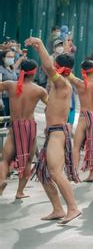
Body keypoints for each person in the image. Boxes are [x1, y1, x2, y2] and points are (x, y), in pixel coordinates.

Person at [25, 37, 81, 225]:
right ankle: (58, 209)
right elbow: (52, 66)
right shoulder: (61, 83)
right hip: (53, 133)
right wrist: (64, 50)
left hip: (57, 133)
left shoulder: (62, 83)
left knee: (56, 172)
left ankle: (72, 208)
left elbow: (48, 67)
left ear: (59, 68)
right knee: (43, 172)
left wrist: (40, 43)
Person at [0, 59, 48, 198]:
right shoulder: (39, 90)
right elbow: (51, 106)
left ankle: (1, 181)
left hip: (14, 126)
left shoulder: (10, 85)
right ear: (33, 73)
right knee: (27, 160)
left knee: (5, 159)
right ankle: (20, 192)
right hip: (28, 127)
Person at [68, 58, 93, 183]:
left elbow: (66, 72)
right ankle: (91, 173)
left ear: (82, 71)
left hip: (84, 117)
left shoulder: (79, 83)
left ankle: (74, 172)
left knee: (76, 146)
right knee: (91, 146)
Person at [0, 49, 22, 118]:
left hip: (13, 97)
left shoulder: (12, 69)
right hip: (4, 98)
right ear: (3, 58)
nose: (11, 58)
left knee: (11, 118)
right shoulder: (1, 69)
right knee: (4, 119)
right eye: (9, 57)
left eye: (12, 57)